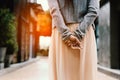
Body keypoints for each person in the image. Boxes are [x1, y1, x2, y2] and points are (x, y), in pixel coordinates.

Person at [48, 0, 99, 80]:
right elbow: (93, 10)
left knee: (63, 74)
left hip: (61, 32)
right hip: (84, 32)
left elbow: (54, 11)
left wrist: (66, 35)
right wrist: (79, 33)